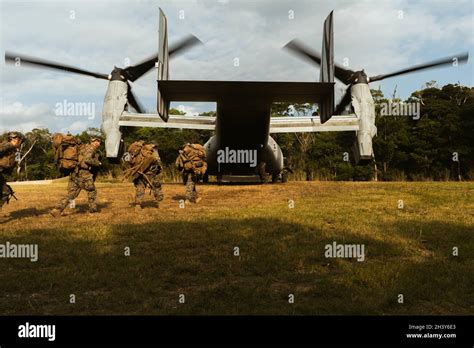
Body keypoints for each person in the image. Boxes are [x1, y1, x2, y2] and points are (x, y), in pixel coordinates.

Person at [51, 136, 102, 216]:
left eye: (99, 142)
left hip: (75, 172)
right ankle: (93, 210)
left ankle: (57, 209)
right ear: (92, 142)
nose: (98, 143)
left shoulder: (82, 147)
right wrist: (97, 163)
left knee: (72, 194)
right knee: (92, 191)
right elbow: (87, 160)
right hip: (84, 174)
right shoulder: (90, 149)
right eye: (97, 141)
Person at [129, 141, 163, 208]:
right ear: (153, 145)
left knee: (140, 187)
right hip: (151, 173)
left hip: (140, 173)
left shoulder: (141, 151)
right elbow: (158, 162)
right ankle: (159, 202)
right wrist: (159, 168)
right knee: (156, 186)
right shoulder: (153, 151)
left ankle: (138, 205)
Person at [0, 132, 25, 210]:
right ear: (16, 139)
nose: (20, 143)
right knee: (5, 192)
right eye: (20, 141)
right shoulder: (7, 145)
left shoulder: (12, 149)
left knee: (6, 192)